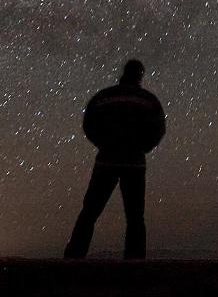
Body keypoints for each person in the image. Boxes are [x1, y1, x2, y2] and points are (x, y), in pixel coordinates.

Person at [64, 59, 166, 259]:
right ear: (140, 75)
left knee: (89, 213)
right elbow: (158, 129)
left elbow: (89, 124)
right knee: (135, 217)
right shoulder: (148, 100)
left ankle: (73, 258)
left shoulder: (104, 97)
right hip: (134, 164)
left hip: (106, 162)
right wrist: (142, 148)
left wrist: (104, 144)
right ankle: (134, 263)